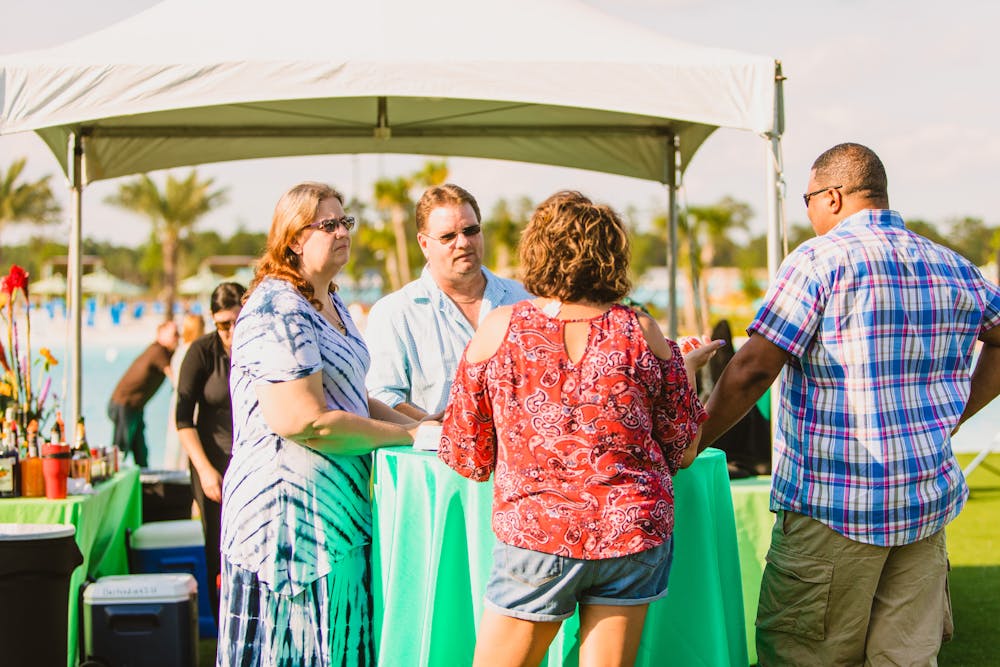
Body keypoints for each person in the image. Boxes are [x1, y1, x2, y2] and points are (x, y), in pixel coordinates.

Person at [700, 143, 1000, 665]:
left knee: (804, 657)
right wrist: (957, 413)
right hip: (923, 507)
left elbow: (752, 369)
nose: (809, 211)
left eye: (808, 199)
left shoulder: (819, 260)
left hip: (833, 509)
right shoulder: (951, 264)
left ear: (833, 197)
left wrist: (692, 438)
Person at [438, 190, 720, 667]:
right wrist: (684, 371)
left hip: (537, 536)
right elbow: (683, 450)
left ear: (537, 251)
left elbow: (468, 455)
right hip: (629, 534)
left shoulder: (500, 328)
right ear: (612, 256)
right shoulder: (642, 331)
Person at [218, 182, 424, 666]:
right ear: (293, 238)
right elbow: (303, 421)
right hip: (288, 530)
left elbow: (351, 397)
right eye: (327, 224)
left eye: (344, 222)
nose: (341, 232)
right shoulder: (278, 307)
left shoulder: (330, 302)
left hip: (338, 523)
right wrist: (409, 436)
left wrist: (423, 427)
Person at [365, 183, 530, 418]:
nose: (463, 242)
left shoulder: (524, 299)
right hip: (435, 454)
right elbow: (382, 397)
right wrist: (440, 429)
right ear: (424, 244)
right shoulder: (394, 313)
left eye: (470, 230)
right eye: (448, 236)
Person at [174, 282, 243, 625]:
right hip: (212, 464)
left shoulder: (260, 349)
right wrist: (204, 470)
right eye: (223, 325)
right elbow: (182, 419)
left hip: (252, 464)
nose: (231, 332)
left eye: (237, 321)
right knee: (216, 550)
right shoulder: (201, 352)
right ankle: (221, 631)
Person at [107, 319, 179, 467]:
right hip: (123, 404)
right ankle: (113, 481)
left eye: (178, 334)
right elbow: (174, 377)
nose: (177, 338)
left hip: (135, 407)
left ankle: (145, 485)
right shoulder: (158, 350)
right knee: (120, 450)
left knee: (140, 451)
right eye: (174, 334)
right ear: (160, 334)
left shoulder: (163, 351)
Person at [163, 311, 206, 470]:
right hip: (189, 401)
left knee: (175, 445)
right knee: (186, 442)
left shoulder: (180, 350)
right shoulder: (195, 351)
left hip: (178, 399)